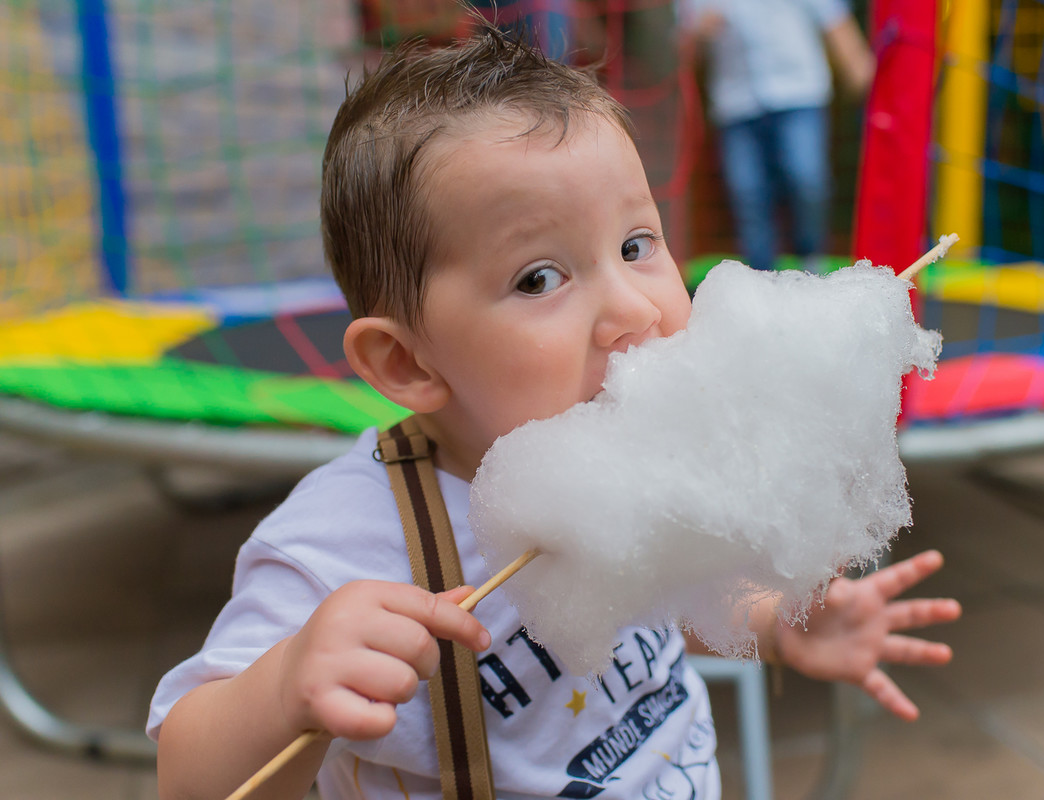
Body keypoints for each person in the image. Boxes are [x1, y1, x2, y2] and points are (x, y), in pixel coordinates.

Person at [148, 29, 959, 800]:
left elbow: (675, 602)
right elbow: (190, 777)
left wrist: (778, 624)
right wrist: (288, 687)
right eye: (540, 278)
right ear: (407, 362)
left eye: (637, 244)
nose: (632, 310)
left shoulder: (645, 453)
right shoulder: (340, 544)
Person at [678, 0, 876, 272]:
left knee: (807, 180)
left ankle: (811, 261)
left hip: (799, 95)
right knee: (748, 195)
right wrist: (696, 33)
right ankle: (761, 276)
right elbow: (682, 49)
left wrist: (871, 86)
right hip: (736, 105)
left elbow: (837, 25)